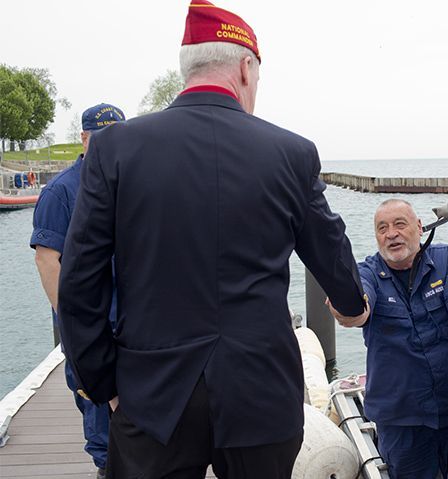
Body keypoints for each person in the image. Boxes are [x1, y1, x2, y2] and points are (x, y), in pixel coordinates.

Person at [56, 1, 367, 477]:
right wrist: (352, 306)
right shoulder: (291, 152)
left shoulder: (116, 148)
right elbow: (330, 252)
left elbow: (79, 281)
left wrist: (103, 382)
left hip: (152, 393)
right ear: (246, 68)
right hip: (261, 394)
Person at [328, 198, 448, 479]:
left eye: (399, 224)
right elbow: (359, 310)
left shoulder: (447, 260)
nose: (391, 233)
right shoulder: (367, 272)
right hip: (401, 421)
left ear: (419, 227)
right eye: (382, 228)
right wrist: (344, 308)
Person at [30, 102, 126, 479]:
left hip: (134, 324)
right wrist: (73, 325)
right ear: (84, 139)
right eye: (102, 139)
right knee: (101, 422)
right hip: (91, 326)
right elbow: (46, 261)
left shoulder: (129, 182)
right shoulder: (61, 193)